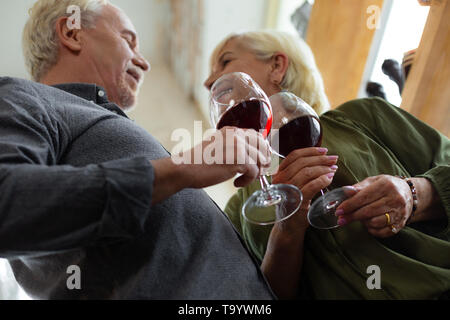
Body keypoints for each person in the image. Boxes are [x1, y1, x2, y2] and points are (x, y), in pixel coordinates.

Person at [0, 0, 275, 299]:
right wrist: (182, 168)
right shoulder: (21, 97)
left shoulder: (106, 126)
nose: (144, 63)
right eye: (128, 40)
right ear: (72, 32)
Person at [205, 30, 450, 299]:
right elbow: (257, 299)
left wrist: (414, 194)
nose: (208, 81)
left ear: (277, 66)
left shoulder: (363, 117)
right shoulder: (238, 211)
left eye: (225, 62)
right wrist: (287, 229)